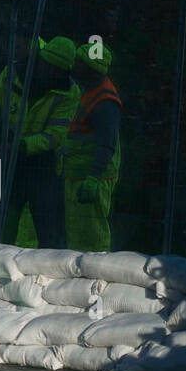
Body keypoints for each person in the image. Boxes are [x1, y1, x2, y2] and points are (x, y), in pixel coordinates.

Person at [0, 35, 79, 248]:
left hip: (42, 165)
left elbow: (55, 135)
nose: (50, 72)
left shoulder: (69, 93)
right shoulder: (13, 74)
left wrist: (19, 147)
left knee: (45, 227)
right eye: (47, 65)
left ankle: (41, 269)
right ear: (41, 60)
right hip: (9, 161)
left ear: (64, 72)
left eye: (56, 69)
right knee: (3, 218)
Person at [63, 41, 122, 252]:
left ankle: (97, 271)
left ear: (90, 68)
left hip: (92, 178)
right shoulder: (87, 90)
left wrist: (94, 177)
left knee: (93, 233)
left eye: (79, 62)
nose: (74, 65)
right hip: (79, 175)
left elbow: (107, 143)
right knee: (79, 231)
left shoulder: (105, 101)